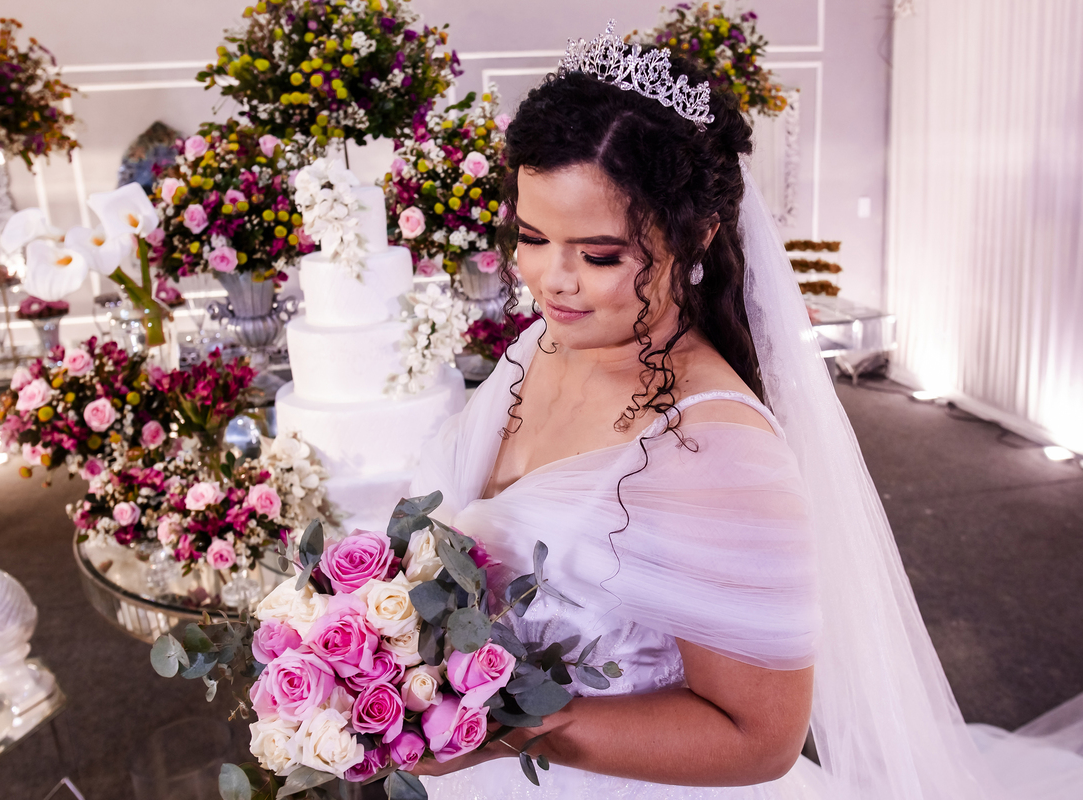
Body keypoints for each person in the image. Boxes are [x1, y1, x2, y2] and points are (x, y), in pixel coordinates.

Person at [409, 23, 1083, 800]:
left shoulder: (713, 450)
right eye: (531, 236)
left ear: (696, 234)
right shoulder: (541, 346)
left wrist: (498, 730)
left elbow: (758, 739)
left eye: (599, 255)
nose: (551, 280)